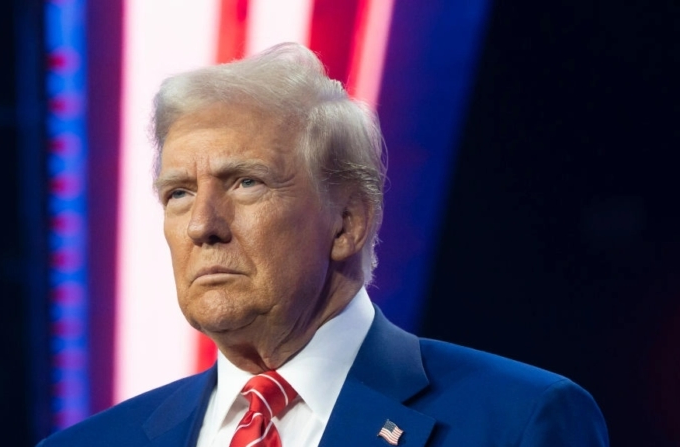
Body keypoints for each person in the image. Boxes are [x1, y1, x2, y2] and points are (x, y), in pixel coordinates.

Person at [38, 43, 609, 447]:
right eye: (180, 193)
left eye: (245, 182)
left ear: (348, 224)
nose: (202, 225)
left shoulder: (518, 422)